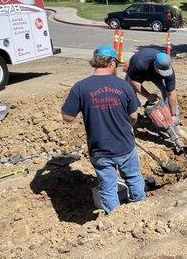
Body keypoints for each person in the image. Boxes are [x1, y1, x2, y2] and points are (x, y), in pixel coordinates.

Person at [61, 45, 145, 214]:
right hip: (125, 145)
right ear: (112, 63)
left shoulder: (80, 87)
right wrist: (127, 126)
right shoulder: (123, 85)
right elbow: (134, 116)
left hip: (99, 149)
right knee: (133, 177)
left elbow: (67, 117)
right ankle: (140, 212)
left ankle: (114, 220)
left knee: (108, 186)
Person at [124, 47, 187, 137]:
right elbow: (133, 82)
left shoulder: (168, 69)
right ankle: (127, 123)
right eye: (161, 71)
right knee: (128, 92)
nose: (164, 73)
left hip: (154, 74)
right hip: (139, 73)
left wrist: (173, 115)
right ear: (155, 65)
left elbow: (171, 93)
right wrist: (148, 95)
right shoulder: (139, 63)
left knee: (166, 91)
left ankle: (176, 128)